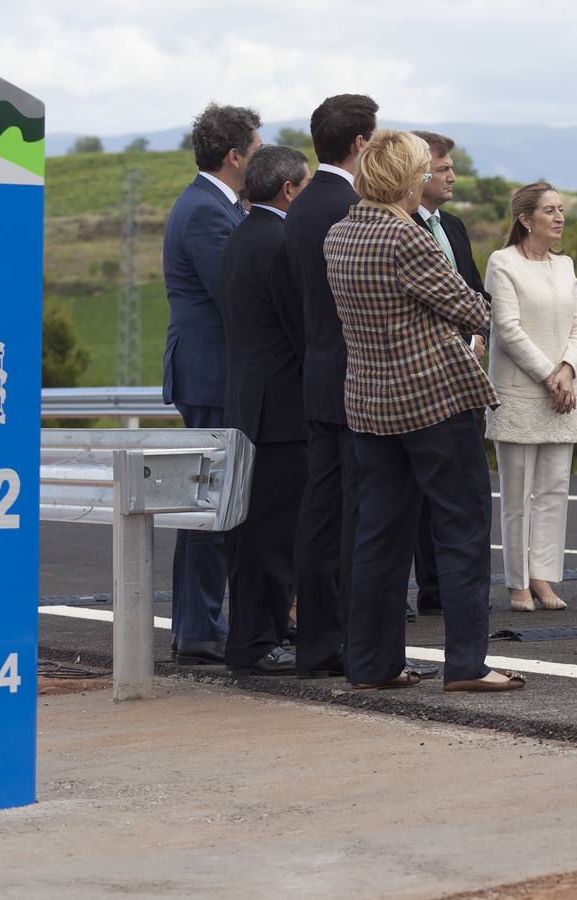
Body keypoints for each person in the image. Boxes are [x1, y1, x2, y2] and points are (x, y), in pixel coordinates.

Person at [324, 130, 523, 693]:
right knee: (461, 530)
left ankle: (372, 663)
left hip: (369, 402)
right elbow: (469, 306)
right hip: (434, 400)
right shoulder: (406, 237)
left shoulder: (339, 235)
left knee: (379, 538)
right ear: (407, 179)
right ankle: (466, 663)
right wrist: (466, 315)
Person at [162, 103, 261, 664]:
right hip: (212, 374)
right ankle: (199, 628)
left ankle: (197, 624)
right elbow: (235, 294)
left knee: (209, 503)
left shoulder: (213, 205)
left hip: (211, 371)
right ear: (233, 156)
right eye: (255, 151)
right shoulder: (206, 211)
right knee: (210, 507)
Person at [285, 93, 376, 679]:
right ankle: (344, 640)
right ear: (362, 144)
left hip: (316, 372)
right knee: (352, 519)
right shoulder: (351, 208)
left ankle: (316, 641)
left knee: (319, 517)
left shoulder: (299, 206)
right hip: (355, 379)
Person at [218, 145, 310, 675]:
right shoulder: (279, 241)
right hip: (281, 410)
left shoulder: (241, 236)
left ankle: (258, 634)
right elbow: (299, 329)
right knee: (272, 535)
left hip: (252, 401)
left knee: (254, 532)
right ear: (289, 190)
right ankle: (258, 642)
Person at [485, 183, 577, 612]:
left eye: (561, 209)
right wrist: (549, 375)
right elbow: (507, 329)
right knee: (517, 494)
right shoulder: (502, 263)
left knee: (554, 490)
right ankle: (517, 584)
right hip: (521, 394)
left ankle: (543, 577)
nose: (559, 217)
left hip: (562, 393)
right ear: (526, 219)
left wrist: (567, 370)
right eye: (549, 210)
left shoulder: (565, 266)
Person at [408, 130, 488, 619]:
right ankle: (418, 585)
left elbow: (476, 291)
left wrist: (478, 335)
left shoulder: (453, 226)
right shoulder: (401, 227)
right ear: (419, 174)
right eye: (443, 168)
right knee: (416, 493)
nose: (452, 176)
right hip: (421, 375)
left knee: (458, 490)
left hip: (463, 368)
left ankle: (442, 589)